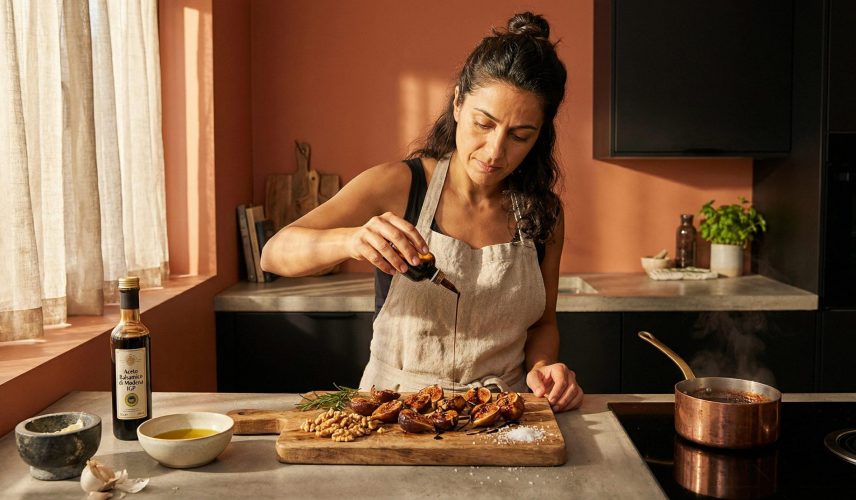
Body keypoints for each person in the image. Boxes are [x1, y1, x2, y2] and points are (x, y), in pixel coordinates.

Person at [261, 12, 583, 412]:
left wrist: (544, 366)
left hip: (501, 413)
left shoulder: (543, 214)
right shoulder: (398, 185)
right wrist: (351, 239)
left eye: (520, 135)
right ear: (458, 103)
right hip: (393, 411)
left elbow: (543, 323)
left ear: (541, 135)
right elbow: (274, 252)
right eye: (484, 123)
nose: (495, 151)